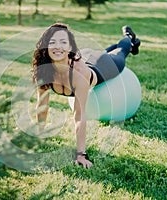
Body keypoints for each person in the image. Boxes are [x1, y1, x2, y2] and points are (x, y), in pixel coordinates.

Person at [32, 23, 140, 168]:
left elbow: (80, 115)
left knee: (120, 53)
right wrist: (39, 134)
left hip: (102, 65)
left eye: (63, 42)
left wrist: (81, 154)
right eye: (52, 42)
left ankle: (129, 38)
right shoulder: (44, 71)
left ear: (70, 47)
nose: (58, 46)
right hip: (85, 55)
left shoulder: (79, 75)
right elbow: (42, 106)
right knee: (106, 51)